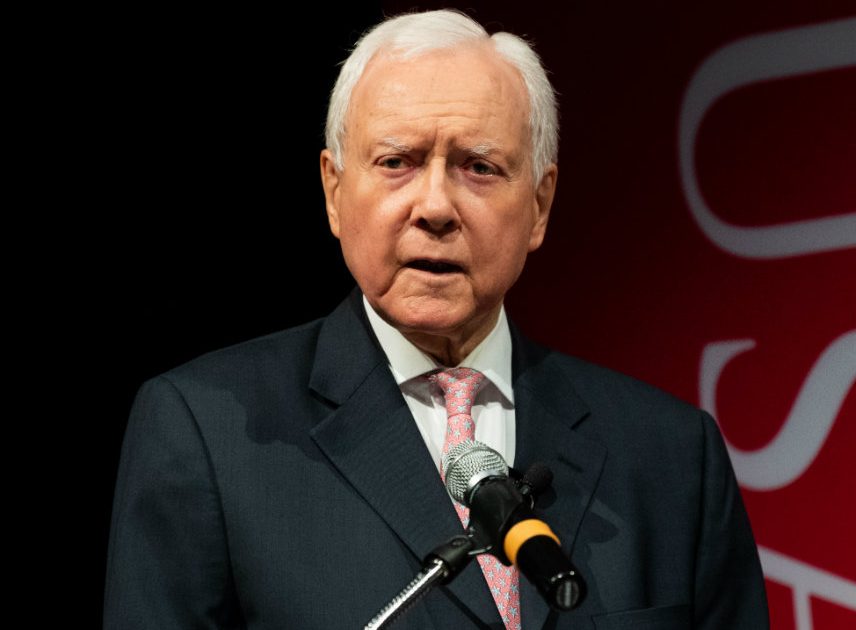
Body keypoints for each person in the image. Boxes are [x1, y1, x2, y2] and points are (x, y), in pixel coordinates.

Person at [104, 9, 769, 629]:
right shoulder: (206, 433)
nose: (435, 208)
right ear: (334, 191)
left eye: (479, 167)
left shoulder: (672, 458)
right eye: (397, 162)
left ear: (540, 205)